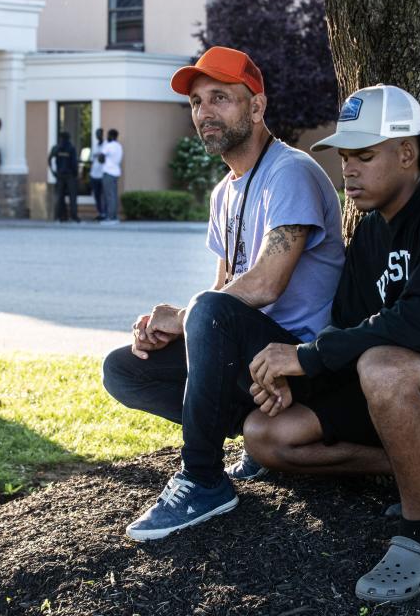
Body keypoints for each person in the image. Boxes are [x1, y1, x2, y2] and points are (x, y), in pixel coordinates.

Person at [244, 85, 420, 603]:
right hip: (395, 394)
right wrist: (297, 382)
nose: (348, 171)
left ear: (406, 153)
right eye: (346, 158)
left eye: (365, 156)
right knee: (266, 435)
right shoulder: (370, 234)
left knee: (384, 365)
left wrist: (307, 357)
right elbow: (347, 328)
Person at [102, 46, 345, 541]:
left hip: (301, 362)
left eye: (220, 98)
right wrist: (172, 330)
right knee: (125, 369)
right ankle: (255, 440)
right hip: (250, 358)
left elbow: (265, 283)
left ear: (256, 107)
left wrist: (187, 315)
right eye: (195, 102)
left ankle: (203, 480)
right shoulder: (225, 191)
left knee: (207, 311)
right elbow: (225, 288)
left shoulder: (289, 172)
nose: (204, 112)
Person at [48, 132, 80, 223]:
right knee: (72, 197)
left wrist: (53, 172)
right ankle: (73, 216)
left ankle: (61, 216)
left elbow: (49, 159)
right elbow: (74, 163)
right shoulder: (71, 148)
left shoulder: (57, 148)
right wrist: (76, 173)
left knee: (60, 196)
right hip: (69, 175)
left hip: (60, 175)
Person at [99, 129, 122, 223]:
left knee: (108, 195)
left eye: (108, 135)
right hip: (116, 172)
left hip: (108, 172)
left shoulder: (108, 146)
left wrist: (101, 159)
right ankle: (114, 215)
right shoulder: (119, 146)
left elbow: (101, 157)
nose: (106, 137)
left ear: (111, 136)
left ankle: (110, 216)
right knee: (113, 195)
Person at [89, 128, 106, 221]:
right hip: (94, 174)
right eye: (96, 134)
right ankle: (100, 212)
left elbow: (103, 158)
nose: (97, 136)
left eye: (99, 134)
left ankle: (105, 213)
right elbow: (92, 159)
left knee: (103, 195)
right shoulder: (95, 145)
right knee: (96, 195)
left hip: (102, 174)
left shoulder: (106, 145)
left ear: (102, 134)